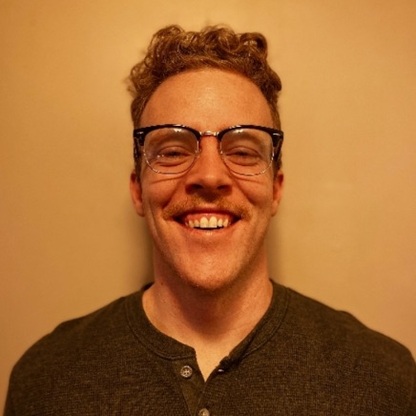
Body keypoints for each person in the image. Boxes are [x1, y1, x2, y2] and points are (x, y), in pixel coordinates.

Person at [4, 25, 415, 415]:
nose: (209, 175)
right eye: (173, 151)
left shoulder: (383, 381)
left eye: (242, 151)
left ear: (275, 190)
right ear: (138, 190)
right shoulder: (47, 380)